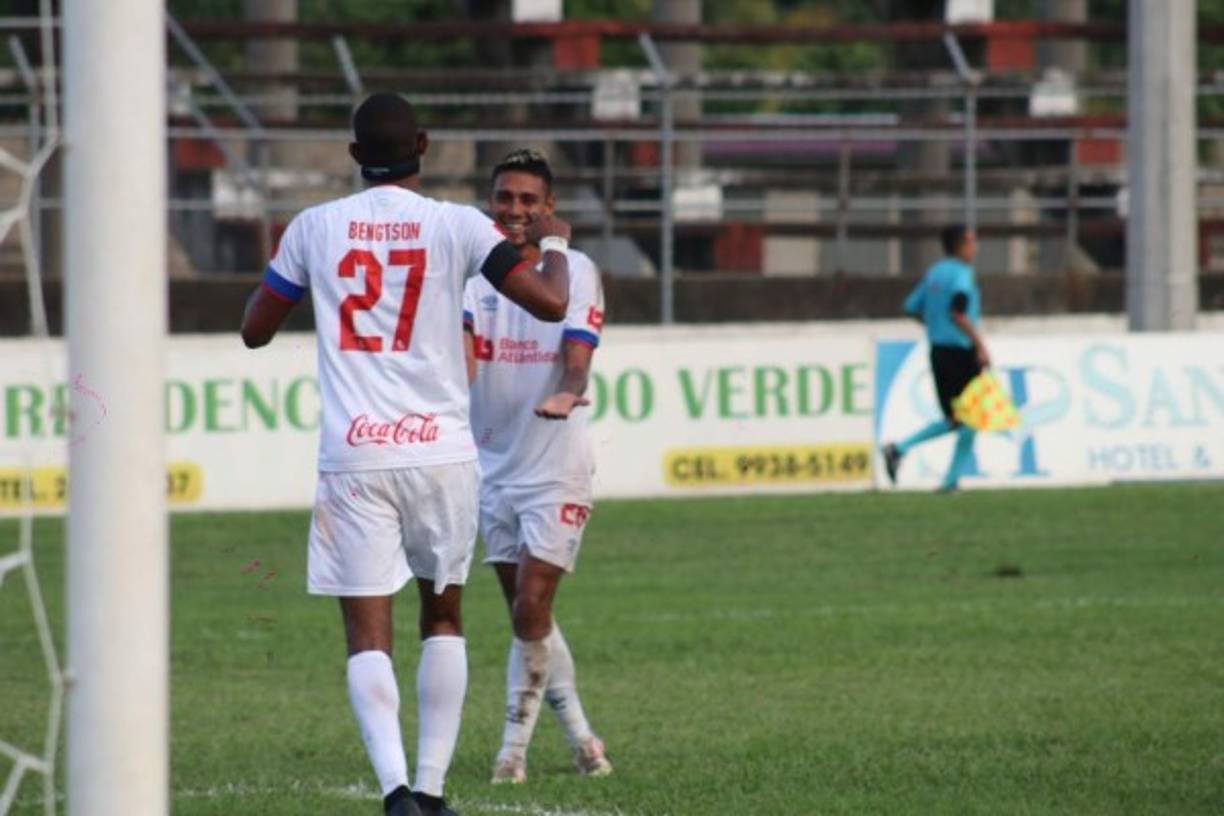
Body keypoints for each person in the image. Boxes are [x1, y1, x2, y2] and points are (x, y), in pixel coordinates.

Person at [240, 93, 573, 816]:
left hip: (354, 456)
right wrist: (553, 246)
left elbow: (255, 329)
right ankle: (431, 789)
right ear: (422, 144)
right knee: (443, 618)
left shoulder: (313, 227)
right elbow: (550, 304)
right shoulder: (459, 224)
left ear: (354, 154)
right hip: (441, 454)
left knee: (368, 634)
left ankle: (395, 793)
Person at [462, 149, 613, 784]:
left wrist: (569, 392)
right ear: (489, 203)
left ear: (549, 209)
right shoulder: (472, 277)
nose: (515, 209)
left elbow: (577, 360)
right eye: (505, 197)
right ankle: (584, 740)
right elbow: (462, 363)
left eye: (528, 200)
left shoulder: (577, 270)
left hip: (556, 467)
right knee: (531, 620)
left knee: (531, 605)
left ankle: (511, 755)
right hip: (492, 469)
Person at [881, 225, 990, 492]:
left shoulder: (934, 273)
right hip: (961, 352)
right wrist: (980, 346)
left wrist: (934, 324)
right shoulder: (962, 274)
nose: (976, 248)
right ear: (960, 245)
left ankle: (900, 450)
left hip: (938, 352)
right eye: (971, 242)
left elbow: (911, 307)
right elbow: (958, 312)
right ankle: (949, 480)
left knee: (955, 419)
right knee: (970, 417)